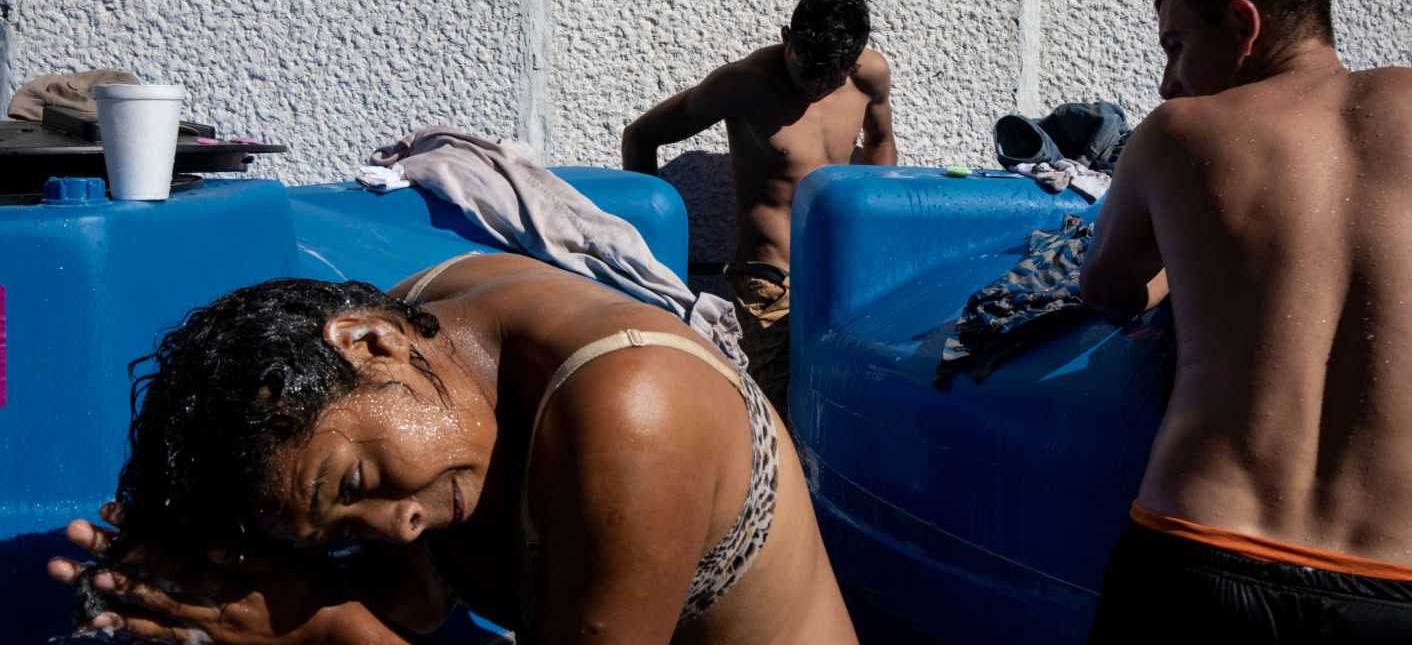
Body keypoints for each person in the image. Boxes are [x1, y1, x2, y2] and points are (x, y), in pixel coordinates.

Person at [47, 255, 859, 644]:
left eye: (356, 484)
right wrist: (206, 586)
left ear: (368, 341)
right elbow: (419, 596)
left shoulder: (636, 414)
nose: (397, 526)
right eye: (343, 528)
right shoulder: (418, 337)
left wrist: (328, 634)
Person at [1080, 0, 1412, 642]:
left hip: (1196, 560)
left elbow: (1107, 288)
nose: (1167, 82)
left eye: (1175, 46)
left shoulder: (1178, 132)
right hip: (1406, 589)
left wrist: (1190, 275)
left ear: (1245, 25)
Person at [621, 0, 896, 416]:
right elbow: (640, 136)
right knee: (777, 412)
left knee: (843, 402)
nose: (816, 87)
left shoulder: (869, 75)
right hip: (769, 282)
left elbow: (880, 141)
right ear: (787, 38)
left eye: (830, 77)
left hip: (843, 271)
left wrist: (874, 232)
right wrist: (646, 260)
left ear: (853, 60)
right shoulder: (744, 84)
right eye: (807, 71)